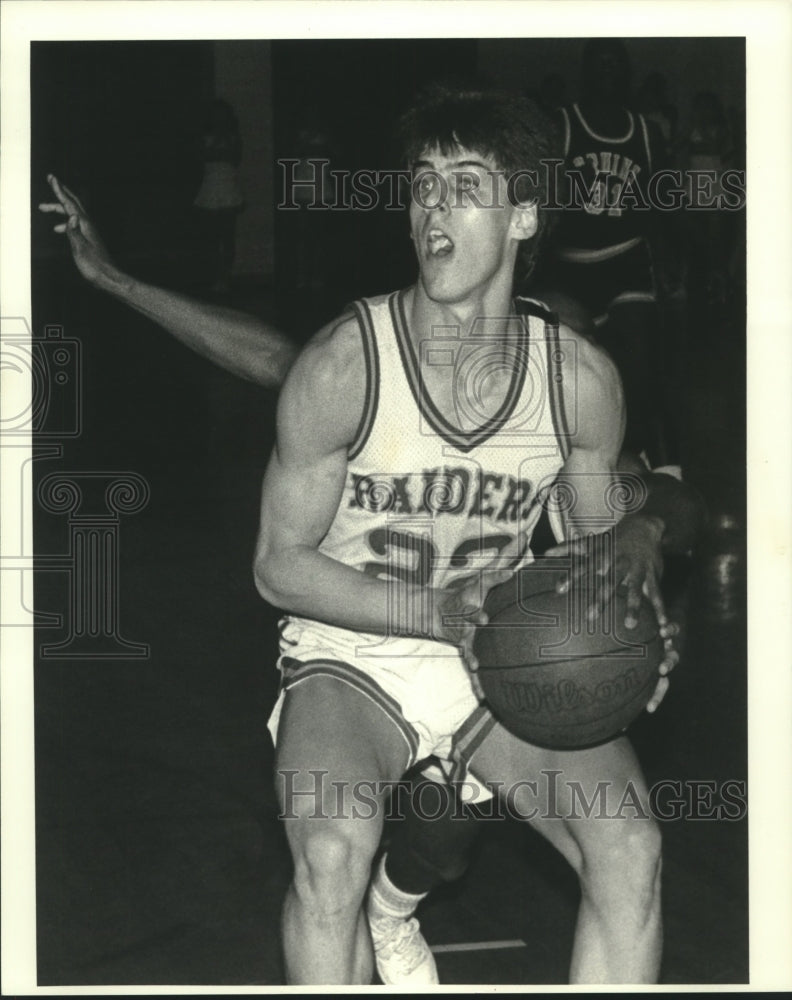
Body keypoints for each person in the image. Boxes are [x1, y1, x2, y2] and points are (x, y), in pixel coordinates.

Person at [39, 81, 699, 985]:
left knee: (629, 847)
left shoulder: (580, 379)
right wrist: (435, 611)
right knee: (331, 855)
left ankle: (404, 909)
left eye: (466, 184)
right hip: (354, 646)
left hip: (499, 650)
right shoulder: (344, 366)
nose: (434, 205)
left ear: (524, 217)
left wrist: (630, 622)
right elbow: (278, 569)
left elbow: (592, 546)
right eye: (423, 184)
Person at [538, 38, 679, 472]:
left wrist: (670, 262)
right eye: (599, 65)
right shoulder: (560, 125)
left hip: (626, 260)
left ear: (626, 74)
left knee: (643, 363)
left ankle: (662, 467)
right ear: (586, 72)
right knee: (572, 384)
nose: (608, 72)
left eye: (615, 65)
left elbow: (659, 206)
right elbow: (539, 204)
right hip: (568, 268)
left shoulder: (645, 131)